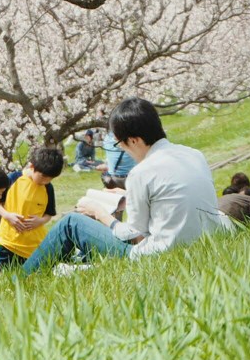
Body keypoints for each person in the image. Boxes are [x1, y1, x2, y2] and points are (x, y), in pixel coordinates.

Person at [24, 97, 231, 274]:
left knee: (71, 223)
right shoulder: (194, 155)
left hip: (158, 255)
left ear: (133, 141)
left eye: (119, 144)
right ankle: (70, 268)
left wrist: (100, 213)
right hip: (203, 244)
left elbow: (131, 233)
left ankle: (18, 281)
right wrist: (126, 197)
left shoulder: (142, 172)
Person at [0, 146, 64, 274]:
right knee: (0, 281)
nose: (45, 181)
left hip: (34, 246)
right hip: (8, 242)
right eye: (43, 177)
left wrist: (40, 221)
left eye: (50, 179)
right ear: (31, 167)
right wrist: (7, 215)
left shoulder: (48, 188)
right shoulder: (13, 178)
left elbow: (49, 214)